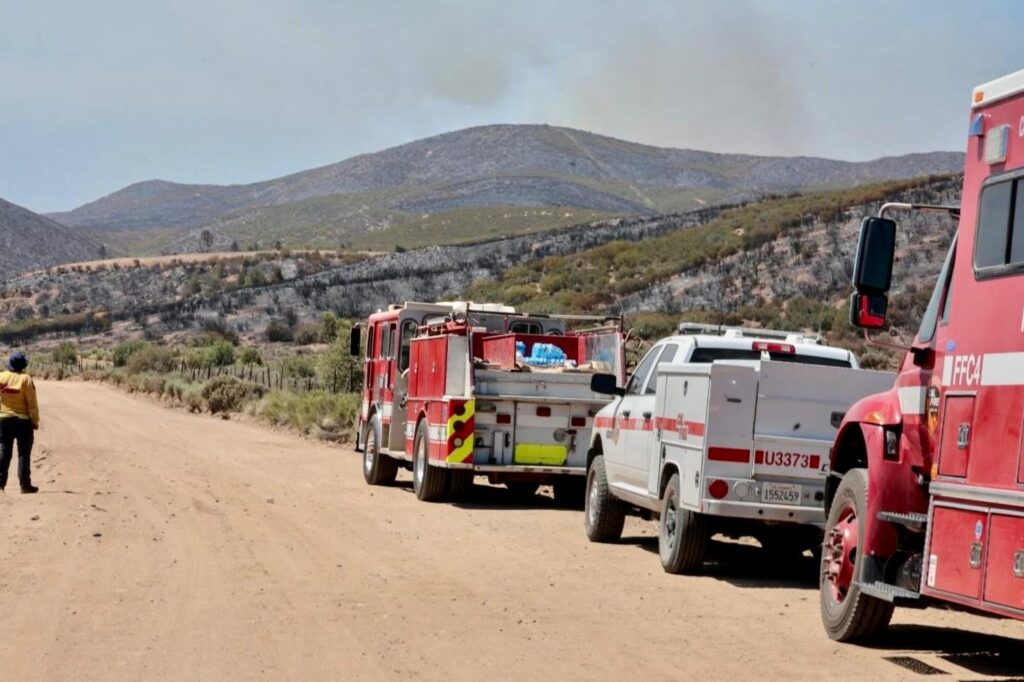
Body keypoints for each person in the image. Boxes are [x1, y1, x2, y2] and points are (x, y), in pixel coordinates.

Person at [0, 351, 39, 494]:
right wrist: (35, 420)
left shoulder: (1, 377)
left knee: (4, 451)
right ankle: (25, 485)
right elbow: (32, 403)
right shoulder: (26, 379)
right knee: (23, 453)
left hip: (4, 420)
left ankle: (0, 483)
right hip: (23, 422)